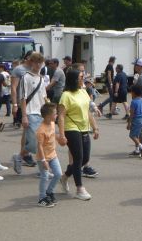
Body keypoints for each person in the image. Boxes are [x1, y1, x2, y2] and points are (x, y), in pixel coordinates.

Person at [58, 69, 99, 200]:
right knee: (78, 158)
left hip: (84, 127)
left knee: (85, 159)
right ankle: (80, 189)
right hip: (71, 128)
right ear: (74, 79)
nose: (83, 79)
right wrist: (62, 134)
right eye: (81, 77)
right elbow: (61, 116)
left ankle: (64, 177)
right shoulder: (66, 95)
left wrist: (95, 127)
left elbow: (88, 112)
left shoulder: (83, 92)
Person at [14, 52, 47, 173]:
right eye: (36, 62)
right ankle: (43, 170)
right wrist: (24, 116)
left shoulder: (41, 79)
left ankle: (19, 157)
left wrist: (49, 112)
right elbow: (23, 97)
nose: (38, 64)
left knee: (41, 142)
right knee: (35, 142)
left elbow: (44, 97)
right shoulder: (26, 77)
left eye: (40, 62)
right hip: (30, 112)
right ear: (31, 62)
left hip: (41, 113)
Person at [36, 102, 62, 207]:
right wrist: (43, 160)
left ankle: (49, 191)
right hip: (43, 158)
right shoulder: (41, 130)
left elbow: (53, 134)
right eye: (55, 114)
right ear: (48, 116)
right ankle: (42, 198)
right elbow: (40, 146)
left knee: (58, 174)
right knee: (44, 177)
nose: (56, 115)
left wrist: (59, 139)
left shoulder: (51, 123)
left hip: (53, 155)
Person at [128, 83, 142, 157]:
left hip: (135, 120)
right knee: (136, 135)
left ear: (133, 93)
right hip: (141, 119)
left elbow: (132, 114)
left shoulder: (133, 102)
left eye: (131, 92)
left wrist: (129, 123)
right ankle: (137, 150)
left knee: (132, 135)